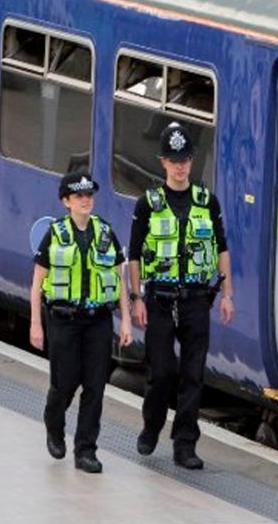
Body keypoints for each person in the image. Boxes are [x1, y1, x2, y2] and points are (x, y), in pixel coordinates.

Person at [128, 121, 235, 469]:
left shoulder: (208, 202)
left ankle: (185, 443)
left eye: (185, 159)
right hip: (158, 299)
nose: (180, 165)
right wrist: (136, 298)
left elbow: (221, 249)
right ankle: (152, 426)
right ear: (163, 162)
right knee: (161, 372)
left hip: (195, 300)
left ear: (191, 161)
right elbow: (132, 255)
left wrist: (228, 295)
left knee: (193, 373)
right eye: (174, 159)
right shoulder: (148, 204)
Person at [29, 171, 132, 474]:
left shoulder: (105, 233)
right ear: (66, 201)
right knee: (64, 384)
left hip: (98, 320)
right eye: (78, 196)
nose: (85, 201)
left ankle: (86, 450)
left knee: (95, 387)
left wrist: (125, 320)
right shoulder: (55, 234)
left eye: (89, 196)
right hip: (63, 320)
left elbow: (119, 279)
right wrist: (36, 324)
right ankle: (54, 425)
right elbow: (37, 284)